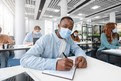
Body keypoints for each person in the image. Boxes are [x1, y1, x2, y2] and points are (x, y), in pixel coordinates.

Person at [20, 16, 87, 71]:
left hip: (66, 72)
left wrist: (81, 56)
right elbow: (25, 59)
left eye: (70, 28)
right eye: (65, 26)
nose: (67, 30)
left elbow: (77, 48)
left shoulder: (68, 38)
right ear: (59, 26)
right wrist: (54, 64)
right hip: (46, 72)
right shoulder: (46, 39)